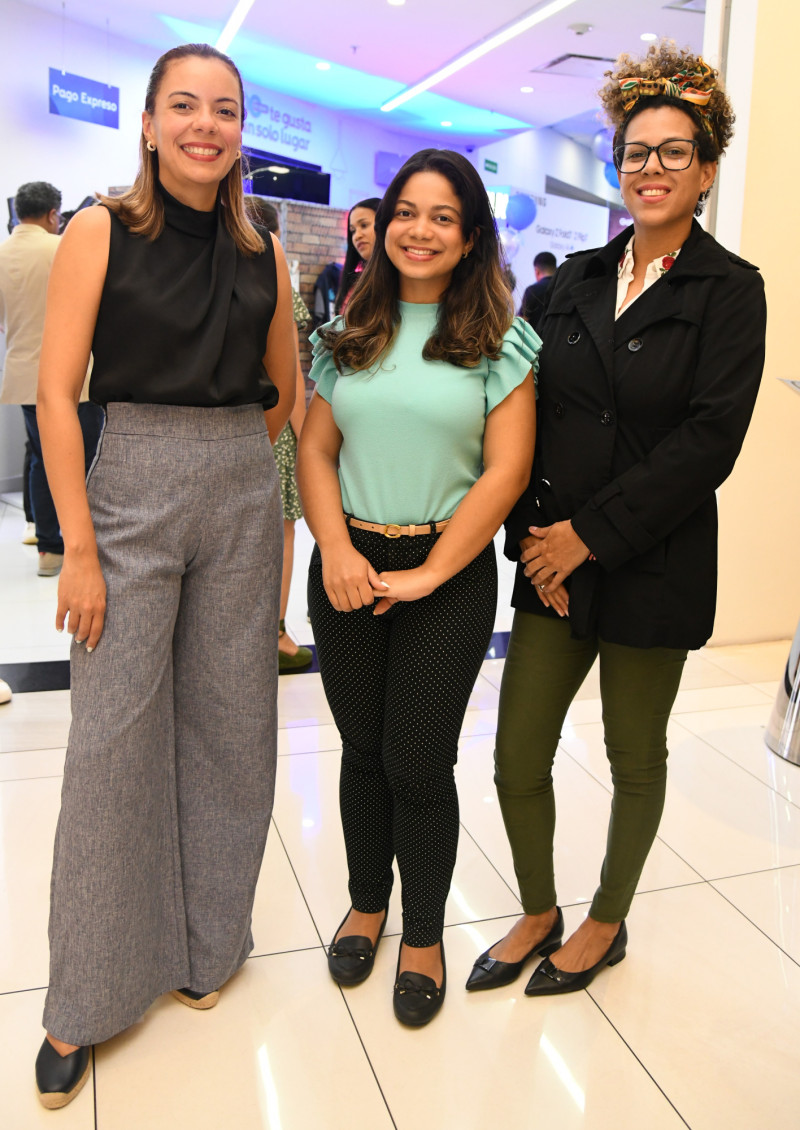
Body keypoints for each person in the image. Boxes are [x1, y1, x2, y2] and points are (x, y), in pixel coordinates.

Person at [465, 43, 766, 997]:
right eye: (635, 152)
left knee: (635, 755)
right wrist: (534, 540)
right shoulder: (570, 285)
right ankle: (538, 908)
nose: (650, 168)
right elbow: (524, 416)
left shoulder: (730, 290)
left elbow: (709, 441)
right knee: (518, 756)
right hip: (551, 561)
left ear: (707, 170)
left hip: (650, 562)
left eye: (673, 153)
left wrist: (587, 536)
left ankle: (604, 920)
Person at [33, 43, 295, 1109]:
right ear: (146, 124)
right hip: (131, 481)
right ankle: (84, 996)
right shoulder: (100, 229)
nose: (204, 124)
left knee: (232, 725)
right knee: (110, 740)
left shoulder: (262, 240)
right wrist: (84, 546)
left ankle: (205, 942)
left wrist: (232, 465)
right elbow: (57, 395)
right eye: (182, 106)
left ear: (241, 129)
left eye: (223, 109)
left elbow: (284, 388)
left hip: (239, 479)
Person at [297, 149, 538, 1026]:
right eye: (407, 210)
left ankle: (426, 932)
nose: (421, 229)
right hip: (349, 565)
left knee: (418, 760)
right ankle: (368, 902)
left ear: (471, 235)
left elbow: (505, 473)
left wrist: (434, 569)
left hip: (450, 569)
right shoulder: (343, 337)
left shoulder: (500, 339)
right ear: (383, 223)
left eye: (443, 215)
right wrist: (334, 548)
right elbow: (317, 452)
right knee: (363, 752)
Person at [0, 181, 104, 576]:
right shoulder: (61, 247)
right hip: (75, 376)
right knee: (89, 459)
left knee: (42, 459)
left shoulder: (2, 253)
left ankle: (49, 548)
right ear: (52, 214)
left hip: (25, 373)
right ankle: (91, 545)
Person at [249, 198, 313, 671]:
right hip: (273, 426)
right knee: (281, 534)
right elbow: (287, 372)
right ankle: (275, 635)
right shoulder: (274, 278)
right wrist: (307, 437)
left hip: (228, 426)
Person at [333, 196, 380, 314]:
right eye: (353, 230)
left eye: (364, 225)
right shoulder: (354, 282)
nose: (357, 236)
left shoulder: (402, 281)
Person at [518, 250, 556, 334]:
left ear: (537, 271)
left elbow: (521, 322)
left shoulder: (533, 290)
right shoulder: (563, 289)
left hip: (534, 344)